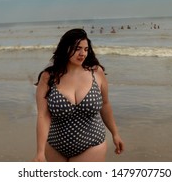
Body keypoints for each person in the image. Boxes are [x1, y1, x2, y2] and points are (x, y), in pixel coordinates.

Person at [32, 28, 124, 162]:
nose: (82, 53)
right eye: (77, 48)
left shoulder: (96, 73)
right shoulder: (48, 77)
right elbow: (43, 115)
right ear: (65, 48)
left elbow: (105, 104)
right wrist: (40, 152)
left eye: (86, 49)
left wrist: (115, 133)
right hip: (54, 147)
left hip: (92, 145)